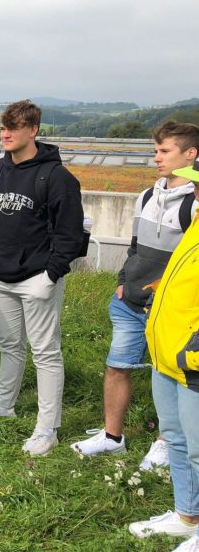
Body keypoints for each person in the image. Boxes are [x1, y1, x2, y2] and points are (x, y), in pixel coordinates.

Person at [71, 122, 198, 467]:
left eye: (164, 151)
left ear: (191, 154)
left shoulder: (194, 206)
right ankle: (113, 437)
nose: (155, 158)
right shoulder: (146, 195)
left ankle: (166, 443)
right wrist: (123, 280)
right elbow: (135, 246)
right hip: (130, 302)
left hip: (170, 312)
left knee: (169, 375)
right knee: (117, 366)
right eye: (155, 150)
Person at [0, 100, 84, 457]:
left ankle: (47, 429)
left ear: (33, 130)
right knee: (9, 345)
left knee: (46, 353)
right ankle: (4, 403)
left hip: (37, 279)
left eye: (14, 128)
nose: (6, 134)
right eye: (3, 128)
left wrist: (51, 275)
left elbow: (70, 234)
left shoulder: (57, 177)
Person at [127, 160, 199, 550]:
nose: (194, 194)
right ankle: (187, 516)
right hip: (168, 353)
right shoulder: (196, 225)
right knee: (177, 439)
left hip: (192, 361)